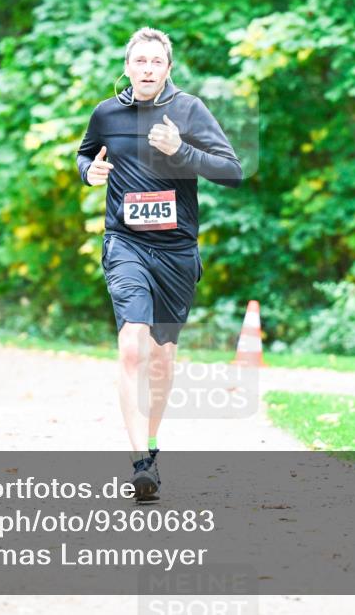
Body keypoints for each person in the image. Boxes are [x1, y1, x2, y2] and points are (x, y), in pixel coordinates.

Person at [76, 27, 242, 500]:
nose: (147, 69)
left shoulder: (188, 110)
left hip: (175, 252)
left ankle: (151, 442)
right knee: (132, 346)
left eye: (156, 62)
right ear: (127, 66)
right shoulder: (106, 113)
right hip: (125, 243)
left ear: (168, 68)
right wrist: (91, 171)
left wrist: (182, 151)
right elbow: (86, 154)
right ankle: (140, 463)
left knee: (161, 360)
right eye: (139, 61)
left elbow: (231, 172)